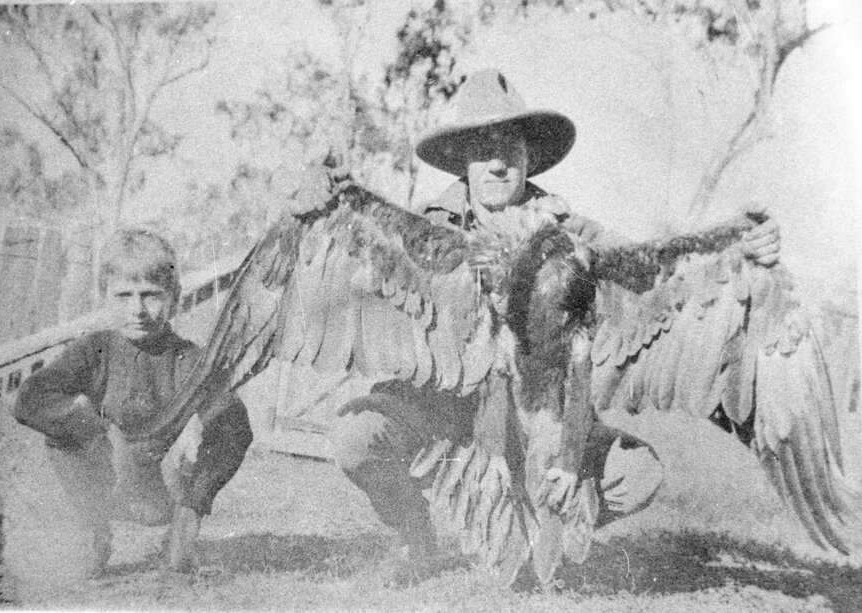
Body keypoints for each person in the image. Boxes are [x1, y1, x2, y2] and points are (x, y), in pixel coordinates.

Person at [327, 69, 781, 586]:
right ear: (463, 162)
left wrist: (739, 245)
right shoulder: (423, 231)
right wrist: (321, 208)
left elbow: (651, 271)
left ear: (529, 159)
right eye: (483, 149)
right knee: (355, 436)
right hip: (445, 415)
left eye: (510, 149)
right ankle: (419, 539)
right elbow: (336, 270)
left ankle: (547, 527)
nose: (498, 163)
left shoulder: (572, 238)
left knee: (638, 473)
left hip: (540, 421)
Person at [13, 228, 253, 577]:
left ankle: (181, 531)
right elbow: (30, 399)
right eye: (124, 295)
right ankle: (93, 532)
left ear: (175, 298)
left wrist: (195, 492)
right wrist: (89, 424)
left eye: (150, 296)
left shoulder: (189, 360)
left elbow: (235, 427)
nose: (137, 310)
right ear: (105, 297)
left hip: (165, 488)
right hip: (104, 481)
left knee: (220, 423)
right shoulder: (93, 350)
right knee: (61, 431)